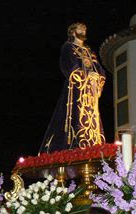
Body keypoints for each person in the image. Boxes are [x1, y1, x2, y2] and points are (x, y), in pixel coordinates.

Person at [39, 22, 106, 153]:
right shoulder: (68, 47)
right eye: (80, 28)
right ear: (73, 32)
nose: (83, 30)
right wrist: (86, 76)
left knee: (93, 119)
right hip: (76, 90)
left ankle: (94, 146)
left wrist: (97, 78)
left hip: (91, 92)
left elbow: (100, 70)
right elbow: (70, 67)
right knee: (77, 117)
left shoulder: (90, 52)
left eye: (85, 29)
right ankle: (75, 147)